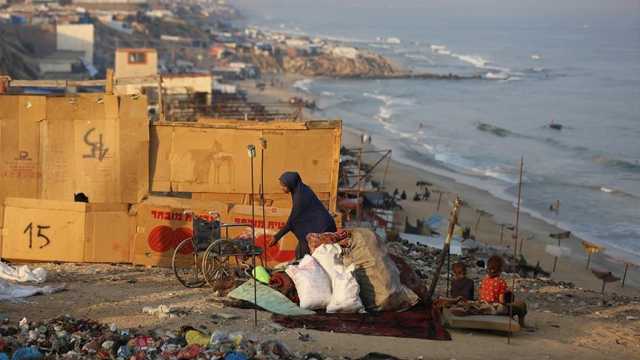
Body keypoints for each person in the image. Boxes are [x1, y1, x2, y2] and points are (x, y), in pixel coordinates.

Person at [269, 171, 337, 259]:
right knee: (301, 252)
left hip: (322, 228)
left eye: (284, 185)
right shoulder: (301, 190)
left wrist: (276, 237)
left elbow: (292, 221)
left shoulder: (300, 197)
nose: (282, 188)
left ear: (291, 184)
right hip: (316, 225)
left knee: (307, 257)